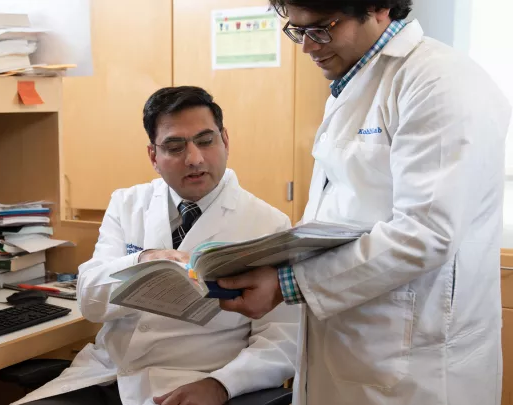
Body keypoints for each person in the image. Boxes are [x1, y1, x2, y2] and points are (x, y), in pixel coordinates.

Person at [216, 1, 513, 405]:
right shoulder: (356, 82)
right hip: (355, 351)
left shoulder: (438, 81)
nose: (307, 47)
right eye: (297, 31)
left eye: (321, 29)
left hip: (414, 370)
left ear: (377, 8)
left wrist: (291, 283)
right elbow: (344, 213)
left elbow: (426, 234)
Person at [11, 86, 299, 405]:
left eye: (206, 141)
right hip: (106, 374)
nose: (194, 159)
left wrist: (221, 385)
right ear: (154, 156)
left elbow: (282, 339)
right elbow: (90, 299)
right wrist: (143, 261)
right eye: (175, 147)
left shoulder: (268, 224)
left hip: (194, 383)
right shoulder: (127, 204)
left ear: (225, 140)